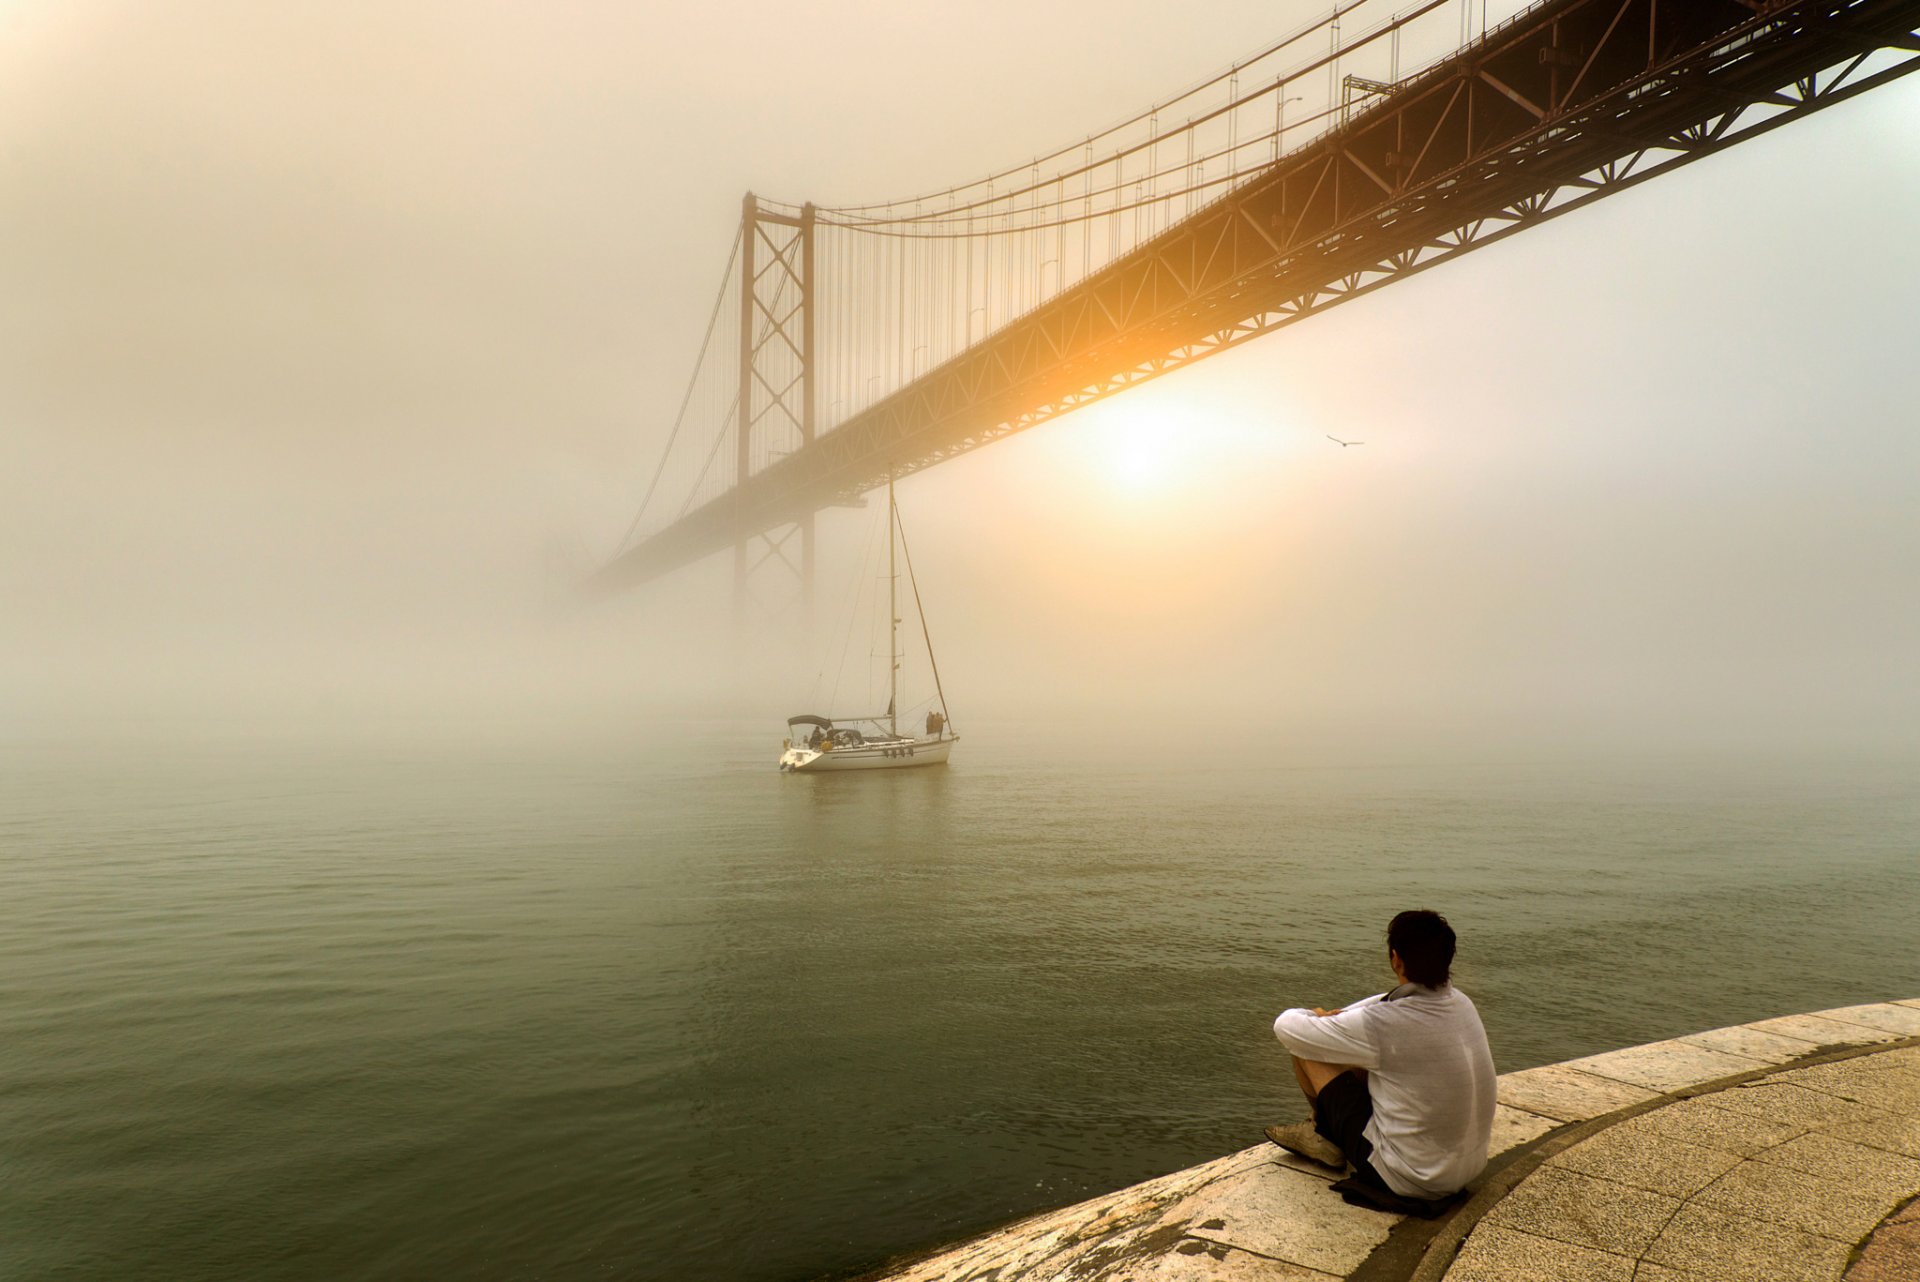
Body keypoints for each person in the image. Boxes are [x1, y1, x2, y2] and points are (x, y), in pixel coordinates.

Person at [1266, 910, 1494, 1216]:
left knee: (1307, 1047)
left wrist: (1317, 1016)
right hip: (1467, 1168)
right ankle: (1324, 1131)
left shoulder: (1386, 1025)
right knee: (1345, 1045)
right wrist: (1337, 1019)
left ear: (1396, 959)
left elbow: (1286, 1027)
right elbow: (1384, 1005)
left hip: (1411, 1178)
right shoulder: (1460, 1003)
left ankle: (1321, 1135)